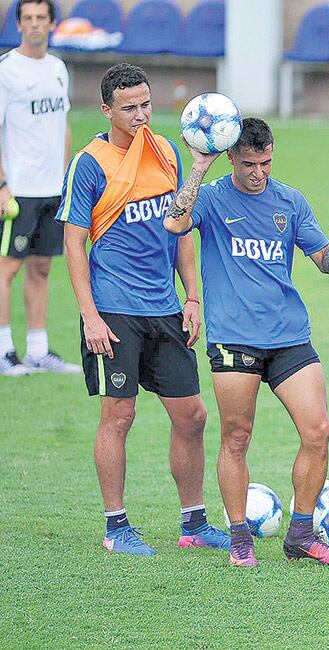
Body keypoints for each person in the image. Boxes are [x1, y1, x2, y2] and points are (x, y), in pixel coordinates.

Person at [163, 117, 329, 568]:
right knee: (236, 436)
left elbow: (323, 263)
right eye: (249, 163)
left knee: (319, 430)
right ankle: (240, 537)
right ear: (231, 157)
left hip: (289, 335)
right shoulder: (210, 198)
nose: (258, 173)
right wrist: (199, 166)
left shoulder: (290, 201)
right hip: (234, 339)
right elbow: (174, 224)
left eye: (266, 162)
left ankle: (301, 534)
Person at [56, 63, 228, 556]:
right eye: (129, 108)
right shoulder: (89, 163)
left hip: (164, 306)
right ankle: (116, 527)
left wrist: (192, 296)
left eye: (146, 105)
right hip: (113, 309)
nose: (140, 115)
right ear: (106, 109)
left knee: (192, 415)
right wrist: (90, 315)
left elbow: (180, 228)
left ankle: (193, 523)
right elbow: (74, 243)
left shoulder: (167, 151)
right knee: (119, 416)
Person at [0, 0, 79, 374]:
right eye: (27, 18)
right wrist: (2, 184)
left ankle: (38, 349)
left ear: (51, 24)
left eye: (40, 18)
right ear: (19, 24)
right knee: (7, 269)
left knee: (42, 267)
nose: (34, 25)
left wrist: (66, 179)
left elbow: (62, 126)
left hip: (52, 188)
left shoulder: (58, 69)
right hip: (18, 190)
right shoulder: (7, 71)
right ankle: (4, 351)